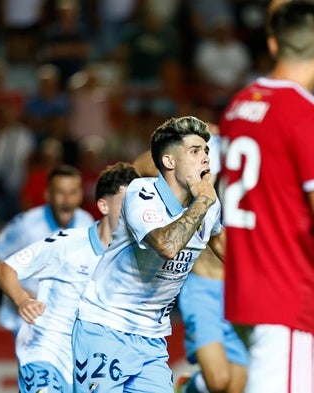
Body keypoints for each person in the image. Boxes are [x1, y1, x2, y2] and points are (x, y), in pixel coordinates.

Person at [72, 116, 223, 393]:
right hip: (105, 327)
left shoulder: (208, 206)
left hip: (151, 339)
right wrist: (203, 201)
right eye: (194, 151)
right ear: (169, 162)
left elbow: (234, 257)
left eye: (206, 151)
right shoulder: (141, 193)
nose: (205, 159)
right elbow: (166, 246)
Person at [219, 2, 314, 391]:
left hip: (247, 289)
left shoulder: (238, 106)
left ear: (274, 45)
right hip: (289, 295)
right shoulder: (303, 113)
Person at [0, 162, 140, 393]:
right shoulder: (66, 243)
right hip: (45, 348)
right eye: (127, 203)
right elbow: (4, 268)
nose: (134, 210)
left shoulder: (132, 256)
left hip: (87, 358)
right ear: (103, 205)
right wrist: (22, 299)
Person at [134, 125, 248, 393]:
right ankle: (189, 387)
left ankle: (193, 385)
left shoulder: (259, 181)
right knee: (218, 382)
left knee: (236, 387)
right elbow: (140, 168)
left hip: (237, 292)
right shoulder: (202, 176)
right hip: (203, 287)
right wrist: (176, 140)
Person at [0, 164, 94, 334]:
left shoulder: (86, 222)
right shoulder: (26, 225)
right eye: (60, 193)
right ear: (48, 195)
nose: (67, 200)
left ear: (81, 195)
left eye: (73, 192)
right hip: (24, 319)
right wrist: (19, 292)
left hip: (64, 320)